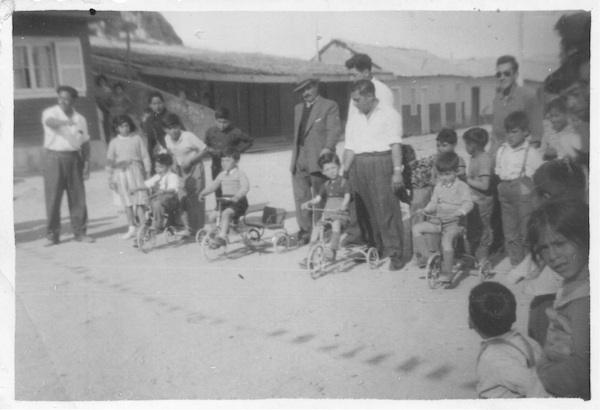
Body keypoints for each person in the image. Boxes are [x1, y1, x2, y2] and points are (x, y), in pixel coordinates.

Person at [505, 158, 586, 347]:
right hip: (561, 297)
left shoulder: (556, 223)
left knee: (547, 346)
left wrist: (515, 275)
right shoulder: (576, 219)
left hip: (551, 299)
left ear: (546, 197)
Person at [527, 199, 590, 399]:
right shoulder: (574, 283)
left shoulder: (584, 302)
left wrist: (543, 377)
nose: (553, 256)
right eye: (544, 248)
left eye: (560, 244)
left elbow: (583, 369)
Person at [342, 79, 405, 271]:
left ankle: (396, 253)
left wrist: (396, 172)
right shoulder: (355, 118)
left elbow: (395, 145)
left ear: (370, 96)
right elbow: (349, 149)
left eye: (357, 99)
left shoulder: (389, 114)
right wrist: (344, 174)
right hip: (358, 165)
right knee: (366, 211)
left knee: (386, 211)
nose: (354, 103)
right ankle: (375, 248)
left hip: (381, 163)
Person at [342, 53, 395, 249]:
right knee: (358, 201)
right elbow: (352, 126)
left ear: (366, 71)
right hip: (355, 153)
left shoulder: (383, 91)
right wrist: (347, 155)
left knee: (379, 205)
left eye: (353, 74)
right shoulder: (355, 92)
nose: (351, 78)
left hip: (374, 156)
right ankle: (363, 242)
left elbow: (384, 127)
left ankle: (384, 247)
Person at [468, 282, 550, 398]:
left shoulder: (494, 358)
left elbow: (535, 387)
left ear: (471, 322)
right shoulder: (530, 342)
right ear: (514, 317)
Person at [290, 75, 342, 245]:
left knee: (321, 196)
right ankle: (305, 232)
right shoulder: (298, 108)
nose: (305, 93)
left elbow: (334, 131)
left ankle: (323, 230)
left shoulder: (329, 105)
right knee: (301, 197)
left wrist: (327, 150)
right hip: (299, 159)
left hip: (318, 157)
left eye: (307, 88)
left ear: (316, 87)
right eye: (301, 91)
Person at [42, 85, 94, 246]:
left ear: (73, 100)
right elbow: (50, 122)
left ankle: (80, 233)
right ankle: (53, 236)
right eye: (61, 98)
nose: (63, 101)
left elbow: (85, 142)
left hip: (74, 158)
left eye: (67, 98)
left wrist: (86, 163)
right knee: (53, 199)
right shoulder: (50, 112)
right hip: (53, 158)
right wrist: (66, 122)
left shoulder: (81, 120)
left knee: (78, 198)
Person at [412, 152, 473, 283]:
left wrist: (461, 211)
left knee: (446, 241)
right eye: (441, 175)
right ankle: (428, 257)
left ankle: (448, 272)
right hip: (439, 221)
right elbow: (434, 202)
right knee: (416, 228)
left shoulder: (462, 186)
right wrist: (426, 210)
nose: (444, 178)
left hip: (455, 223)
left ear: (456, 172)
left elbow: (469, 203)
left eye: (447, 174)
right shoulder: (438, 186)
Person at [495, 111, 543, 270]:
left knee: (525, 229)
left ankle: (529, 264)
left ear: (526, 132)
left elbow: (540, 174)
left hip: (523, 188)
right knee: (509, 229)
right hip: (505, 188)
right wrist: (501, 185)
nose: (510, 135)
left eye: (514, 131)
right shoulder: (502, 150)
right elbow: (499, 169)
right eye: (508, 131)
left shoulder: (531, 152)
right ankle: (516, 263)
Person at [299, 152, 351, 266]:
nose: (331, 171)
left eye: (333, 168)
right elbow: (317, 198)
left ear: (339, 166)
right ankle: (310, 256)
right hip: (328, 215)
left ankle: (332, 251)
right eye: (327, 170)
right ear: (323, 172)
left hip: (340, 215)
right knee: (317, 228)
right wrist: (308, 203)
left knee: (336, 224)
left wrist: (344, 203)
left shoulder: (344, 182)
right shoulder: (326, 185)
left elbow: (347, 196)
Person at [162, 113, 207, 237]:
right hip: (181, 171)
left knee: (196, 200)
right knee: (183, 200)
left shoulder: (188, 136)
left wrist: (191, 161)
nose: (174, 130)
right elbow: (171, 153)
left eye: (176, 126)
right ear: (165, 129)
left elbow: (204, 149)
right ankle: (188, 229)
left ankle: (199, 231)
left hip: (195, 169)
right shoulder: (166, 138)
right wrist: (174, 164)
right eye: (170, 128)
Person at [106, 114, 151, 240]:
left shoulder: (136, 139)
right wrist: (110, 178)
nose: (125, 128)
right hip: (121, 174)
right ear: (117, 128)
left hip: (136, 172)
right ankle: (131, 227)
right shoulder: (114, 142)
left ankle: (143, 228)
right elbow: (110, 161)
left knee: (140, 201)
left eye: (126, 125)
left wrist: (147, 170)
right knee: (127, 203)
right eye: (122, 126)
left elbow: (145, 156)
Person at [491, 55, 543, 159]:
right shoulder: (496, 100)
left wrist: (524, 159)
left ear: (515, 75)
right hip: (500, 155)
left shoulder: (528, 96)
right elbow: (495, 134)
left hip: (520, 155)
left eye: (506, 73)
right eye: (499, 74)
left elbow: (536, 133)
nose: (502, 77)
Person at [199, 147, 250, 249]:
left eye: (228, 160)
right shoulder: (221, 175)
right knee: (212, 216)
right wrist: (203, 193)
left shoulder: (240, 174)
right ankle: (216, 234)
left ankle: (222, 237)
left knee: (225, 214)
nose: (224, 163)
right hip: (225, 201)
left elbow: (245, 187)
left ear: (236, 161)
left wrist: (237, 196)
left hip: (238, 202)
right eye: (222, 160)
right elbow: (214, 185)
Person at [204, 107, 254, 199]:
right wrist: (210, 150)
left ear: (229, 121)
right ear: (215, 121)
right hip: (216, 165)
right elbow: (205, 145)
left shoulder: (235, 131)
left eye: (225, 122)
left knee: (231, 186)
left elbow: (249, 141)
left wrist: (237, 150)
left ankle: (232, 205)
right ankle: (219, 206)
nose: (222, 125)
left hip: (230, 166)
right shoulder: (211, 132)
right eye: (219, 122)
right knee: (217, 186)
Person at [463, 127, 494, 263]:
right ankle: (475, 257)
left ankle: (482, 260)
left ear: (473, 145)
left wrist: (467, 180)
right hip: (474, 201)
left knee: (482, 233)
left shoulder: (484, 160)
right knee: (472, 231)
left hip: (482, 203)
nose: (464, 147)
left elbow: (485, 185)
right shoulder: (474, 157)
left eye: (466, 144)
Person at [130, 153, 180, 234]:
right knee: (148, 203)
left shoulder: (172, 176)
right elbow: (147, 184)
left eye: (161, 167)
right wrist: (136, 188)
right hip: (158, 199)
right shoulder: (156, 177)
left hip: (170, 201)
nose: (158, 169)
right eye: (156, 167)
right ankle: (147, 223)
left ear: (169, 167)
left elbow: (174, 188)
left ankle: (157, 224)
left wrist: (165, 190)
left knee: (157, 203)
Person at [540, 97, 583, 161]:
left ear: (566, 115)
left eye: (556, 116)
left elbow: (576, 155)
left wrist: (557, 153)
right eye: (551, 116)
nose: (553, 120)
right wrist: (545, 153)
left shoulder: (573, 131)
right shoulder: (549, 131)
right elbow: (541, 150)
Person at [140, 91, 171, 174]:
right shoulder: (149, 120)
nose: (157, 106)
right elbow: (150, 142)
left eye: (159, 103)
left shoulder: (170, 116)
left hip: (170, 153)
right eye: (154, 104)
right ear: (150, 105)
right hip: (156, 156)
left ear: (163, 103)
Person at [94, 74, 112, 144]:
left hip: (106, 110)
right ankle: (103, 141)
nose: (101, 82)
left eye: (103, 80)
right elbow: (96, 100)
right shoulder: (96, 90)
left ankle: (108, 141)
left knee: (107, 126)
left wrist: (107, 107)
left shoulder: (108, 90)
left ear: (105, 81)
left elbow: (109, 101)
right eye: (100, 81)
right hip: (99, 108)